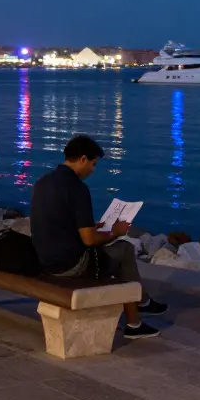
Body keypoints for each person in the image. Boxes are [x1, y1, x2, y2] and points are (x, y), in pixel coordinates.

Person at [30, 134, 167, 340]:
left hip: (44, 259)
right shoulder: (77, 188)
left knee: (117, 251)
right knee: (124, 250)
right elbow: (89, 240)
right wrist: (114, 232)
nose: (93, 170)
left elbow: (58, 221)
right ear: (83, 159)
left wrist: (91, 227)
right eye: (93, 164)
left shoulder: (43, 182)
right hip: (67, 266)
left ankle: (142, 302)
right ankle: (134, 322)